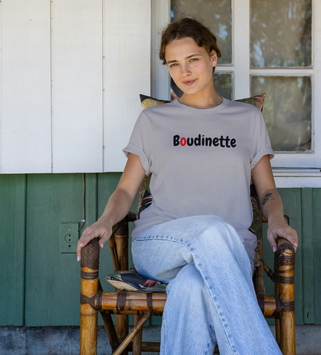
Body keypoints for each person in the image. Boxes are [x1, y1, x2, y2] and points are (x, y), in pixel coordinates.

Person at [77, 17, 298, 355]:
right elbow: (125, 191)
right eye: (174, 64)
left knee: (191, 287)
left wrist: (278, 220)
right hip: (160, 245)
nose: (185, 72)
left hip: (231, 250)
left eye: (193, 59)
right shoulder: (153, 121)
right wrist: (104, 221)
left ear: (213, 56)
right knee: (209, 230)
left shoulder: (247, 119)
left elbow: (267, 192)